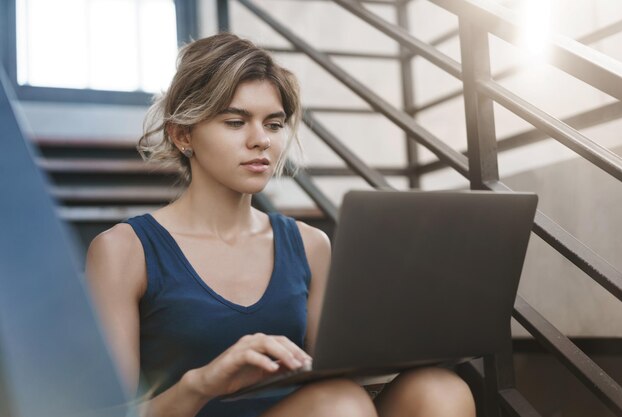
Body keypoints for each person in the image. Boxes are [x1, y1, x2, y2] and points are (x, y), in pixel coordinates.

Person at [86, 33, 476, 417]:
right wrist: (201, 383)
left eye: (273, 125)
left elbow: (337, 378)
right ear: (182, 134)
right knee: (339, 407)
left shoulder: (310, 244)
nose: (261, 141)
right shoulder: (124, 249)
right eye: (236, 122)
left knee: (440, 390)